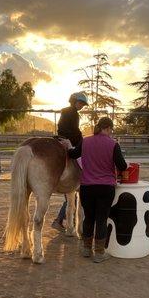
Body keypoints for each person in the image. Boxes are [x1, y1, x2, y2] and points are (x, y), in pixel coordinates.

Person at [67, 117, 128, 263]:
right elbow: (123, 166)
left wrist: (66, 146)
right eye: (111, 130)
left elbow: (73, 154)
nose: (111, 133)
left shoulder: (86, 141)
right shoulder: (113, 144)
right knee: (101, 219)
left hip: (87, 188)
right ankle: (99, 253)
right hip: (105, 188)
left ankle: (87, 249)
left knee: (89, 218)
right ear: (107, 128)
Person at [51, 91, 88, 231]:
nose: (82, 106)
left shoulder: (66, 111)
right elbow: (74, 130)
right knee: (79, 156)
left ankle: (62, 220)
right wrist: (82, 139)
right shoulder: (74, 113)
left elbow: (64, 128)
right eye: (81, 103)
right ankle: (82, 175)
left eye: (83, 104)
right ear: (75, 102)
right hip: (69, 139)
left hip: (61, 137)